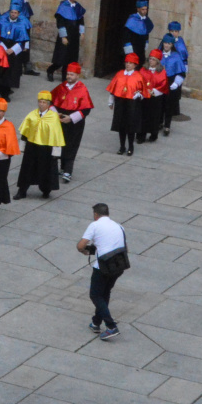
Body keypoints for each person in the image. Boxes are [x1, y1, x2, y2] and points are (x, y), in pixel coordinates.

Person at [78, 203, 127, 340]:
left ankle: (111, 326)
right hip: (119, 266)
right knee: (104, 293)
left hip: (103, 268)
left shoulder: (95, 225)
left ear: (95, 214)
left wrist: (84, 250)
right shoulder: (119, 226)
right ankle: (96, 322)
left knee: (95, 295)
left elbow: (81, 245)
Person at [15, 91, 65, 199]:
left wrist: (56, 152)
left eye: (44, 102)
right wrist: (22, 146)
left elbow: (56, 134)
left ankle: (46, 190)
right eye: (40, 102)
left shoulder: (53, 117)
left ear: (48, 104)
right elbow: (25, 131)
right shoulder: (32, 115)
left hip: (46, 148)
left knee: (46, 169)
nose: (41, 104)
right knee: (27, 168)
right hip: (32, 146)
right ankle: (22, 190)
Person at [51, 64, 93, 182]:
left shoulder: (82, 89)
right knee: (59, 143)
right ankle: (62, 167)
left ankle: (68, 170)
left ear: (77, 76)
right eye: (68, 74)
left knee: (71, 145)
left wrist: (71, 118)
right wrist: (56, 114)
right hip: (60, 120)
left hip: (75, 123)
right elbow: (51, 101)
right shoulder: (61, 87)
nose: (69, 76)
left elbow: (86, 109)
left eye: (72, 74)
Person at [108, 53, 146, 155]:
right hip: (120, 102)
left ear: (135, 65)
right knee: (121, 125)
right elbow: (113, 89)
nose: (128, 65)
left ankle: (130, 146)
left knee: (130, 125)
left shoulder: (138, 76)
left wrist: (139, 94)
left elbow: (144, 92)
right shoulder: (119, 74)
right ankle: (122, 146)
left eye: (131, 63)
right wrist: (110, 101)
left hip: (132, 104)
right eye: (127, 63)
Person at [46, 0, 86, 82]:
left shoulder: (78, 7)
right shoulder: (63, 6)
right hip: (65, 35)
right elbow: (60, 23)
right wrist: (63, 36)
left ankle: (65, 77)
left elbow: (81, 21)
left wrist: (82, 33)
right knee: (61, 58)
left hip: (74, 36)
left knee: (71, 58)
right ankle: (50, 70)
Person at [0, 0, 31, 97]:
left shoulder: (21, 24)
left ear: (18, 13)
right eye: (12, 12)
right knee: (0, 70)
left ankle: (6, 93)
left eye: (15, 12)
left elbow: (22, 40)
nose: (13, 14)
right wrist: (2, 47)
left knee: (10, 73)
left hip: (13, 51)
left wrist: (13, 49)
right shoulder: (2, 21)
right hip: (2, 47)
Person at [139, 49, 168, 143]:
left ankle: (153, 134)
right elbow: (138, 80)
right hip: (144, 97)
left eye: (153, 59)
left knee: (154, 116)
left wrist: (154, 91)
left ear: (158, 62)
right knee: (142, 116)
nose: (151, 61)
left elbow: (163, 83)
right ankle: (141, 135)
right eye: (150, 59)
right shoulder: (143, 70)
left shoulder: (162, 72)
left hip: (155, 98)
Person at [161, 32, 188, 134]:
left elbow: (181, 73)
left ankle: (167, 126)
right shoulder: (158, 55)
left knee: (168, 105)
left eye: (169, 43)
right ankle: (159, 123)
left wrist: (176, 83)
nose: (166, 45)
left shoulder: (176, 57)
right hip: (159, 84)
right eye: (165, 43)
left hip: (170, 83)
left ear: (172, 45)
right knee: (159, 105)